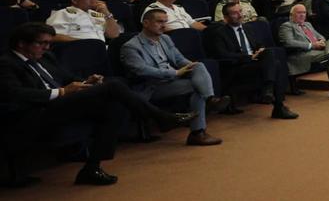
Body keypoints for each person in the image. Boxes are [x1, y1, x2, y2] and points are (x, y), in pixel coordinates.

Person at [0, 22, 196, 187]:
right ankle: (162, 117)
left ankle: (91, 168)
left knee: (113, 107)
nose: (46, 48)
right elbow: (15, 94)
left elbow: (68, 78)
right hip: (33, 113)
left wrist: (88, 81)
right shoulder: (6, 63)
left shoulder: (46, 58)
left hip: (61, 106)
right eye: (41, 43)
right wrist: (61, 92)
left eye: (49, 44)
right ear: (21, 44)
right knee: (114, 86)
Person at [120, 9, 227, 145]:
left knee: (199, 66)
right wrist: (176, 73)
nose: (163, 25)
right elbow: (142, 71)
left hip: (171, 81)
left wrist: (190, 66)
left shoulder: (165, 39)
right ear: (146, 23)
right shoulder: (130, 47)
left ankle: (210, 100)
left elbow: (179, 59)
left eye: (165, 22)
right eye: (159, 22)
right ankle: (198, 131)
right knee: (197, 88)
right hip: (151, 86)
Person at [202, 3, 298, 120]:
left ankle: (269, 91)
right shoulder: (219, 33)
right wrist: (249, 57)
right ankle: (276, 104)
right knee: (275, 65)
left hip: (255, 63)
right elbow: (223, 54)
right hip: (237, 66)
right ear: (226, 17)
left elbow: (258, 45)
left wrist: (260, 49)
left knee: (269, 54)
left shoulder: (248, 28)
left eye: (240, 11)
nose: (239, 15)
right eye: (235, 13)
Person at [277, 4, 329, 99]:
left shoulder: (308, 24)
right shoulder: (287, 26)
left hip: (318, 51)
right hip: (302, 53)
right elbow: (289, 42)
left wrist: (321, 42)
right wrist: (312, 45)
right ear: (291, 15)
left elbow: (321, 36)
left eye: (304, 12)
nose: (302, 15)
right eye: (299, 13)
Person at [47, 0, 121, 44]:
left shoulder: (99, 15)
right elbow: (53, 36)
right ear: (74, 0)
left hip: (101, 52)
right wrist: (84, 43)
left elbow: (114, 35)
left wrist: (106, 12)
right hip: (77, 51)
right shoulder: (63, 13)